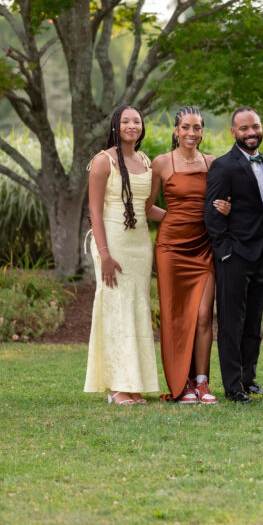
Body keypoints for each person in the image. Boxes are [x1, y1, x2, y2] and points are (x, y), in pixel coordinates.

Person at [147, 106, 231, 405]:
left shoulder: (212, 163)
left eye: (197, 127)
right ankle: (181, 384)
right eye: (185, 127)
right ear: (176, 130)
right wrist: (175, 218)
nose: (191, 133)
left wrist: (225, 209)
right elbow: (147, 207)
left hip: (204, 246)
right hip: (171, 248)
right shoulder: (161, 163)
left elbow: (222, 202)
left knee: (205, 314)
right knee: (175, 316)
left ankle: (202, 383)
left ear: (202, 131)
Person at [84, 105, 159, 406]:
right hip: (112, 242)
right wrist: (104, 254)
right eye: (126, 121)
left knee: (137, 310)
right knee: (116, 309)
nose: (132, 125)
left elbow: (146, 209)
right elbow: (94, 211)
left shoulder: (145, 160)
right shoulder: (103, 161)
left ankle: (134, 383)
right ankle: (116, 386)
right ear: (116, 125)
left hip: (140, 244)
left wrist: (188, 218)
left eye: (137, 121)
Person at [204, 107, 263, 404]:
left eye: (255, 127)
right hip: (234, 255)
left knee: (254, 321)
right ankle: (233, 386)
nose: (251, 133)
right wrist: (225, 252)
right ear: (233, 132)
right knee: (232, 322)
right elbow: (212, 213)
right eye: (244, 128)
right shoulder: (223, 166)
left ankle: (249, 378)